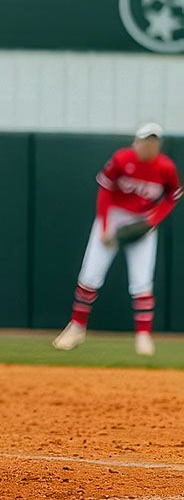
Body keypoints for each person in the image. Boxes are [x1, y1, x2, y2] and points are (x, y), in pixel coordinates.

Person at [52, 123, 180, 356]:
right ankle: (77, 327)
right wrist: (103, 225)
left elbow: (173, 195)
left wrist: (153, 220)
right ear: (136, 142)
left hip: (141, 222)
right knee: (90, 275)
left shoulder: (165, 167)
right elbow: (105, 189)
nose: (149, 145)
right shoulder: (122, 159)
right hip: (114, 217)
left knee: (142, 282)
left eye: (154, 141)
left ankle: (143, 336)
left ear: (158, 145)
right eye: (145, 140)